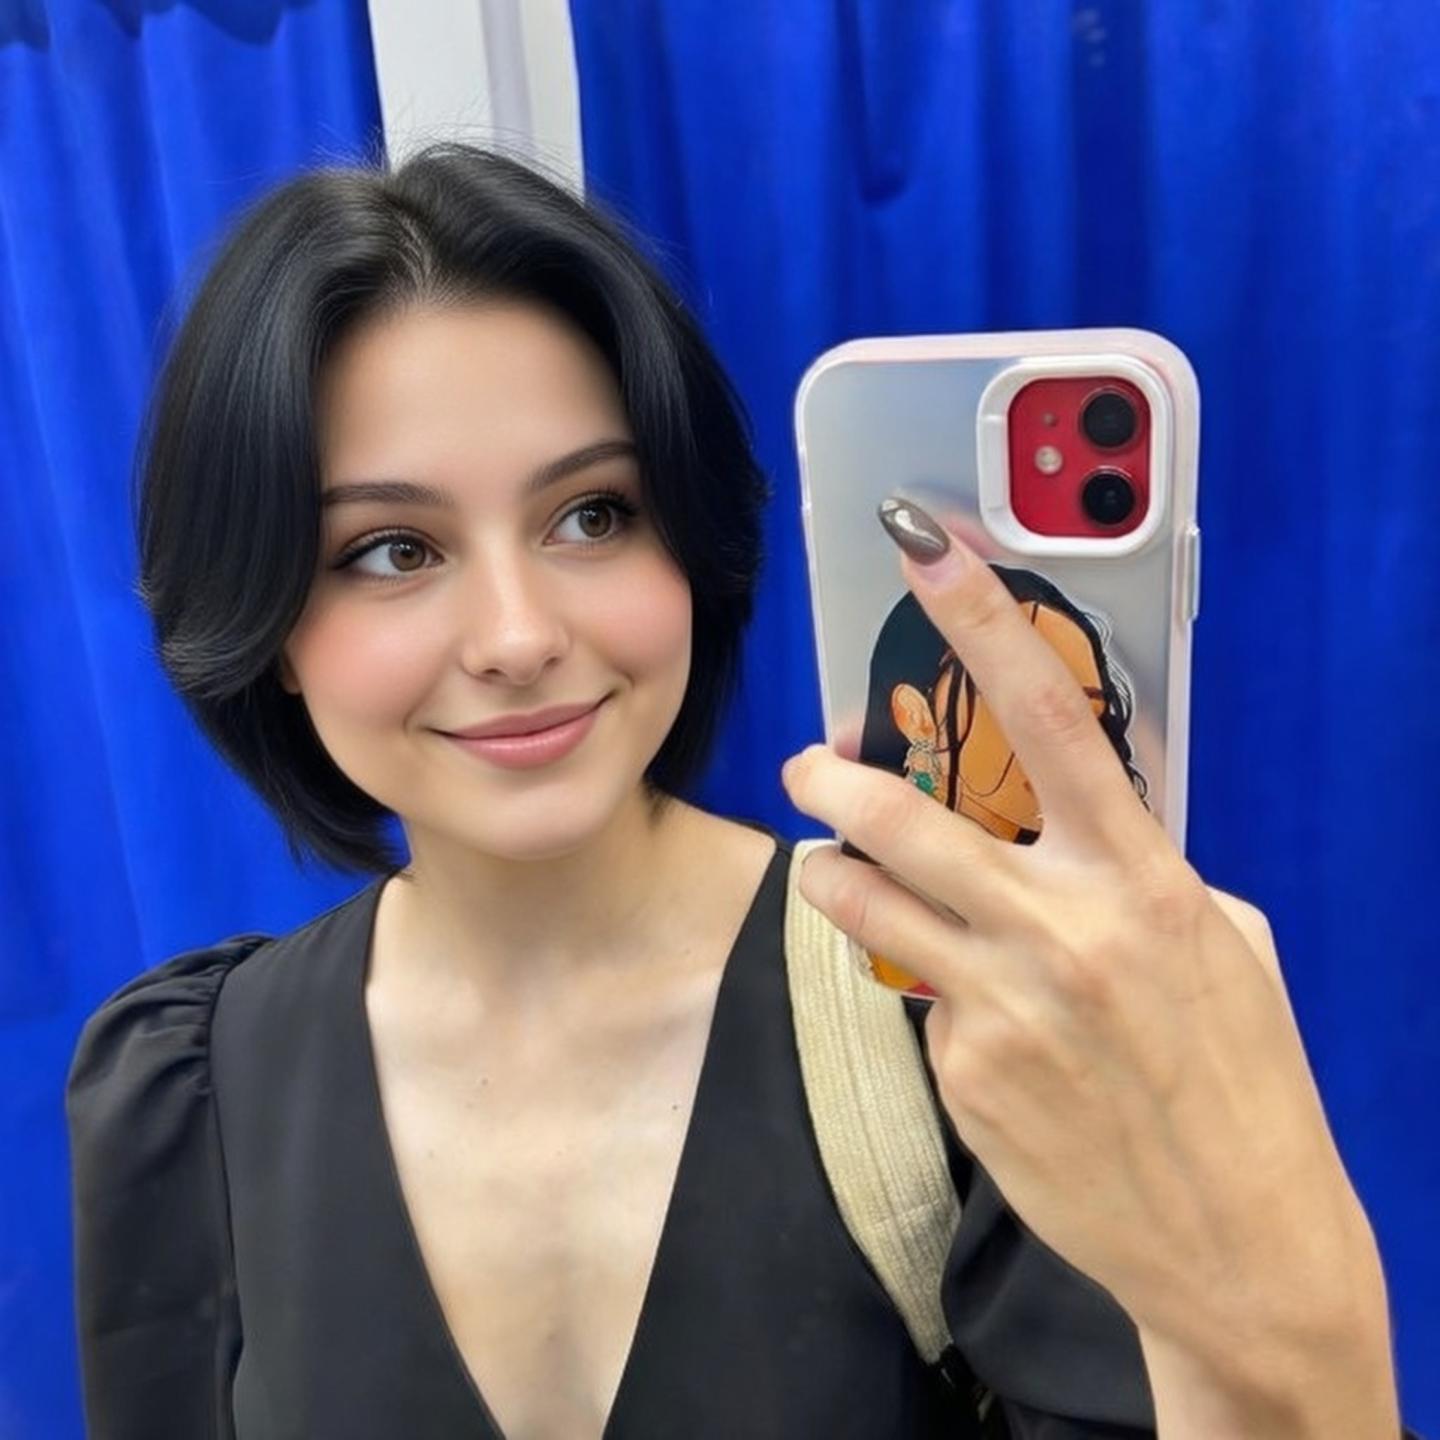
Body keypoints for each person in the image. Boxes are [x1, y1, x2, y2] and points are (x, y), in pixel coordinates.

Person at [66, 143, 1407, 1440]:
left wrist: (1290, 1301)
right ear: (264, 621)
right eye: (391, 549)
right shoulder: (194, 1090)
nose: (518, 636)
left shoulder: (968, 1020)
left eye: (593, 515)